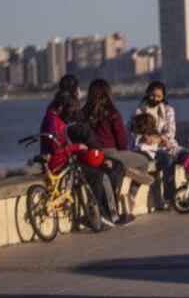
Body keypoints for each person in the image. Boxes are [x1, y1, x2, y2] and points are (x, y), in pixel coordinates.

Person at [42, 90, 121, 229]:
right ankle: (95, 214)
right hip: (59, 162)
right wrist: (77, 147)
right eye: (68, 111)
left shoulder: (53, 118)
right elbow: (56, 147)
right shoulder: (54, 121)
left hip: (61, 160)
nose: (70, 115)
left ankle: (93, 213)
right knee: (97, 175)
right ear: (61, 107)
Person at [84, 79, 155, 223]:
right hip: (111, 153)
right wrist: (122, 154)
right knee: (143, 162)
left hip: (91, 154)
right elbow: (121, 140)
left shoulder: (83, 113)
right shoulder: (113, 113)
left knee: (119, 165)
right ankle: (131, 196)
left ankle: (125, 169)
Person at [132, 80, 181, 205]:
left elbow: (171, 131)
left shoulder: (168, 110)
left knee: (170, 160)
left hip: (162, 145)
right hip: (145, 147)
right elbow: (131, 130)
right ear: (147, 94)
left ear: (163, 97)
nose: (155, 98)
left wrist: (159, 139)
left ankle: (170, 197)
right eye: (153, 95)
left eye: (159, 96)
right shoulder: (139, 110)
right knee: (155, 162)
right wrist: (144, 138)